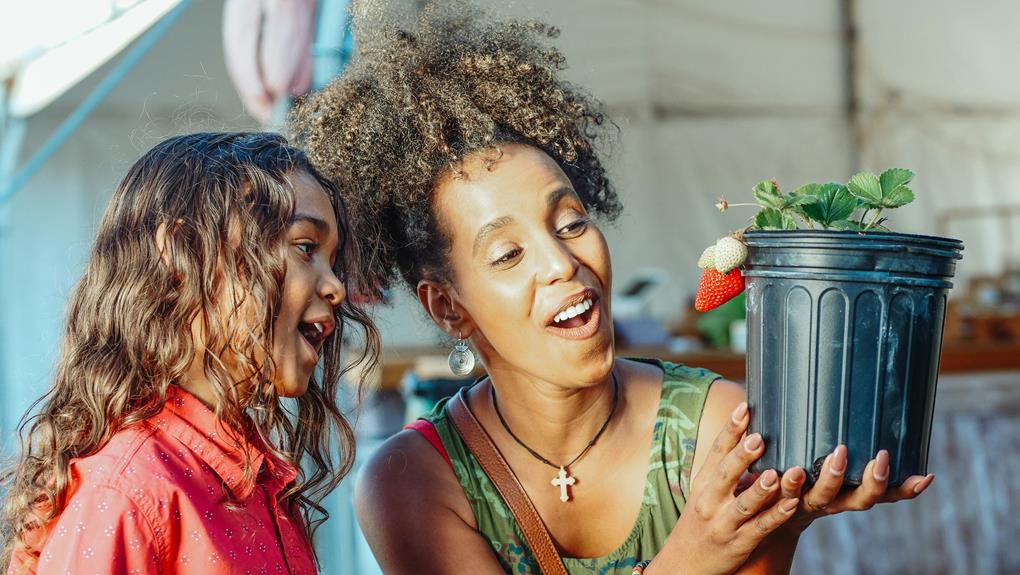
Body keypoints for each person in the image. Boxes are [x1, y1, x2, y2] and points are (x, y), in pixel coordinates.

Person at [290, 4, 934, 573]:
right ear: (448, 308)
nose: (564, 263)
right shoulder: (413, 483)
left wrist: (782, 518)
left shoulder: (721, 427)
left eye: (571, 223)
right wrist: (695, 557)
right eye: (509, 253)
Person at [0, 132, 379, 574]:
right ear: (186, 253)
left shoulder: (258, 482)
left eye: (334, 263)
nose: (334, 286)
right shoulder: (127, 493)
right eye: (305, 248)